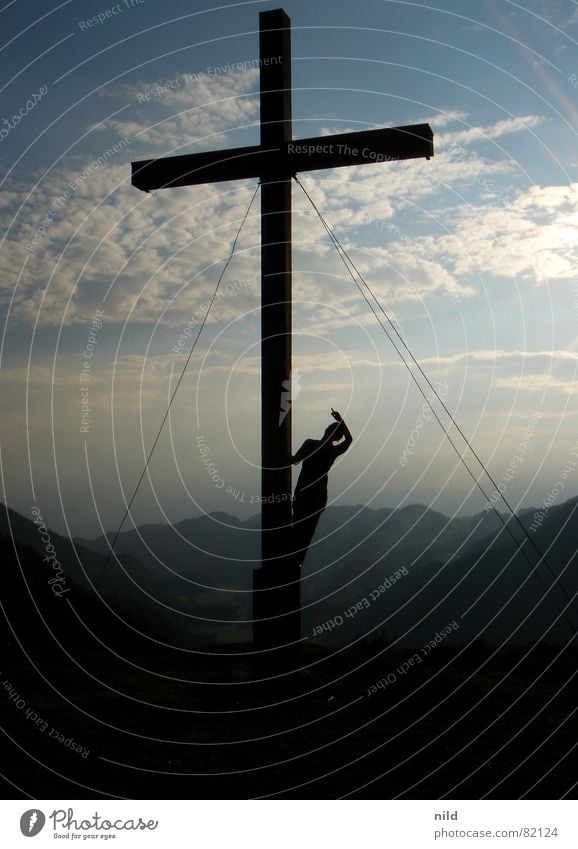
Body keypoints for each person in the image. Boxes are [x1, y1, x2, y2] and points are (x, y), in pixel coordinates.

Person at [291, 409, 353, 567]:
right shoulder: (328, 449)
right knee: (304, 528)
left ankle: (296, 560)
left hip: (310, 493)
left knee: (303, 527)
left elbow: (295, 460)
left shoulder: (313, 444)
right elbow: (349, 439)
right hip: (313, 494)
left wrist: (340, 420)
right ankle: (296, 560)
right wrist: (340, 420)